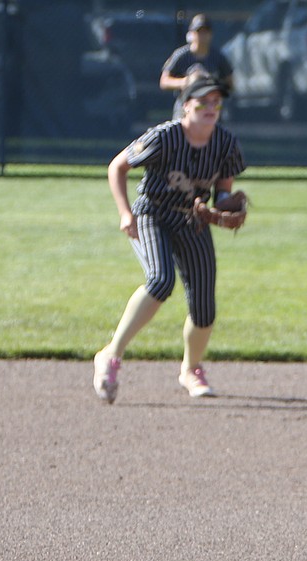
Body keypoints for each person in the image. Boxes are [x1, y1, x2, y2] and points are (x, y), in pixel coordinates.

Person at [93, 73, 247, 404]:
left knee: (204, 302)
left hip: (192, 218)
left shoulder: (225, 144)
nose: (211, 107)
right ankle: (111, 354)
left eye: (216, 101)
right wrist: (125, 213)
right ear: (185, 105)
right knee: (161, 281)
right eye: (203, 101)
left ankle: (191, 370)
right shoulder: (164, 137)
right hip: (152, 213)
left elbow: (222, 192)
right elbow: (117, 167)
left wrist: (224, 209)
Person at [160, 14, 234, 120]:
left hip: (210, 110)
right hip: (184, 110)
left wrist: (211, 82)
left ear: (211, 34)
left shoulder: (218, 57)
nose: (202, 36)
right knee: (181, 135)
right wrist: (186, 81)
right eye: (199, 32)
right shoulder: (181, 55)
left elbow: (230, 83)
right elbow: (164, 81)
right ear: (191, 34)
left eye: (205, 32)